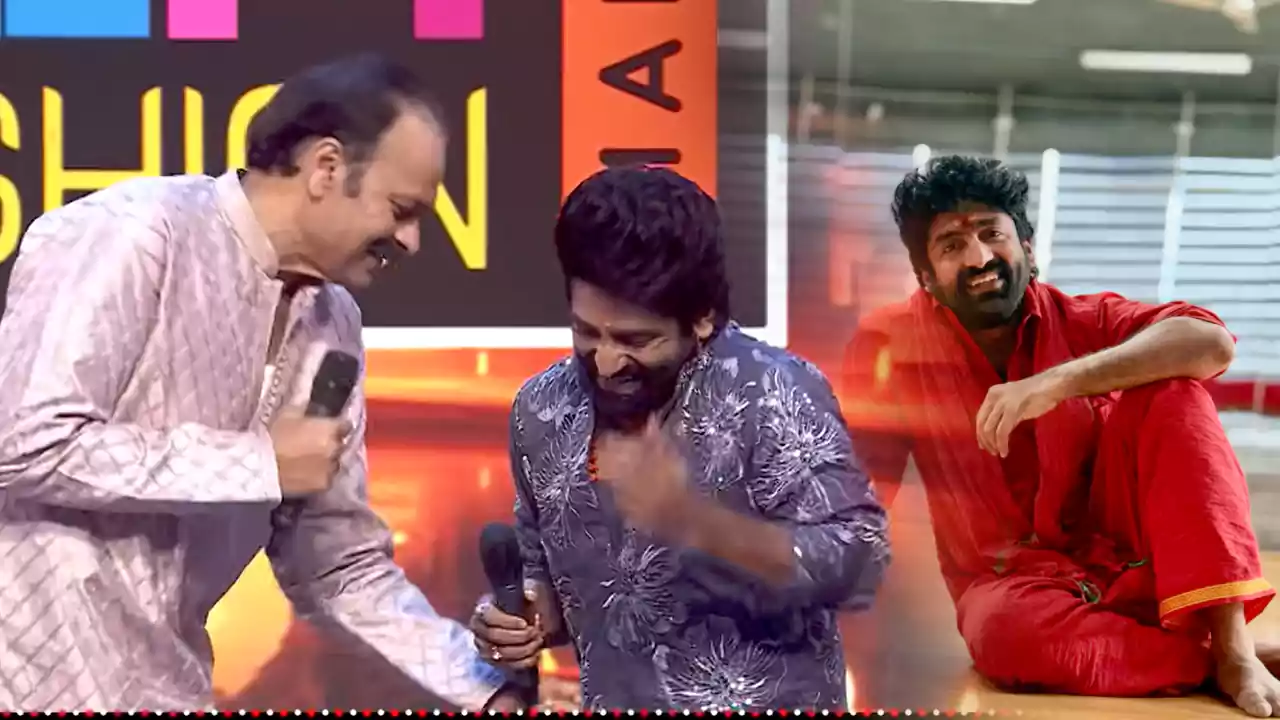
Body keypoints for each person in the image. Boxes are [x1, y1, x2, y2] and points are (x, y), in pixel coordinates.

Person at [0, 53, 519, 712]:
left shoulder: (333, 322)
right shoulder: (137, 233)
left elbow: (337, 565)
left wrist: (484, 687)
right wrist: (259, 464)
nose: (412, 240)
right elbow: (23, 442)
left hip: (167, 684)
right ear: (326, 168)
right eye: (401, 209)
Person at [843, 154, 1280, 716]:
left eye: (992, 234)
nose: (979, 258)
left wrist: (1057, 382)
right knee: (1003, 636)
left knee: (1176, 390)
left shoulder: (1083, 319)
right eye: (951, 245)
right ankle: (1213, 660)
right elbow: (861, 491)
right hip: (1015, 595)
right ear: (926, 278)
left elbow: (1209, 344)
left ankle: (1233, 646)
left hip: (1135, 572)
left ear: (1028, 250)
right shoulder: (891, 343)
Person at [468, 166, 890, 711]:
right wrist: (526, 620)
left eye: (636, 340)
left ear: (703, 318)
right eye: (586, 332)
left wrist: (699, 524)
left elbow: (859, 561)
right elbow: (546, 577)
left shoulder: (776, 393)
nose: (606, 361)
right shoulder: (542, 410)